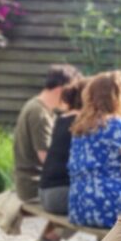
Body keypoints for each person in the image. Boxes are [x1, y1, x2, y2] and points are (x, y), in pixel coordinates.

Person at [14, 63, 81, 241]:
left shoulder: (40, 108)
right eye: (72, 92)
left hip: (32, 180)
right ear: (62, 89)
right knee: (88, 199)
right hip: (32, 184)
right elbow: (47, 160)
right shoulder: (40, 114)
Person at [68, 71, 121, 229]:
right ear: (118, 96)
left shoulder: (80, 127)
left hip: (78, 205)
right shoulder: (116, 125)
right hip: (109, 206)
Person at [39, 78, 87, 215]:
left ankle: (51, 236)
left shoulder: (62, 119)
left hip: (44, 191)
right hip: (60, 195)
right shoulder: (82, 122)